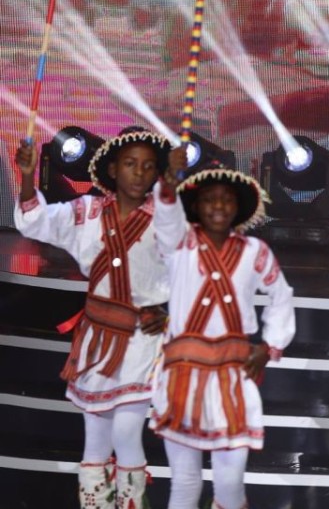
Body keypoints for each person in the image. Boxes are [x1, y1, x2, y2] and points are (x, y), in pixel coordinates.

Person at [13, 128, 171, 509]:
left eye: (148, 166)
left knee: (127, 430)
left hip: (141, 340)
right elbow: (35, 221)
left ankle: (131, 502)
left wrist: (169, 313)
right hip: (98, 338)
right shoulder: (86, 212)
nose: (138, 173)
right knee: (96, 435)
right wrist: (28, 177)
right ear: (112, 169)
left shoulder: (167, 221)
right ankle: (95, 503)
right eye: (130, 164)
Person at [150, 156, 296, 509]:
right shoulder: (179, 243)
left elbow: (281, 295)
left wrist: (269, 346)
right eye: (209, 199)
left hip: (232, 374)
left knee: (230, 484)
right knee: (185, 483)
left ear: (238, 208)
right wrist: (168, 182)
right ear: (195, 207)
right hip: (183, 374)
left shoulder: (254, 251)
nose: (218, 206)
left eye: (227, 199)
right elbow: (166, 216)